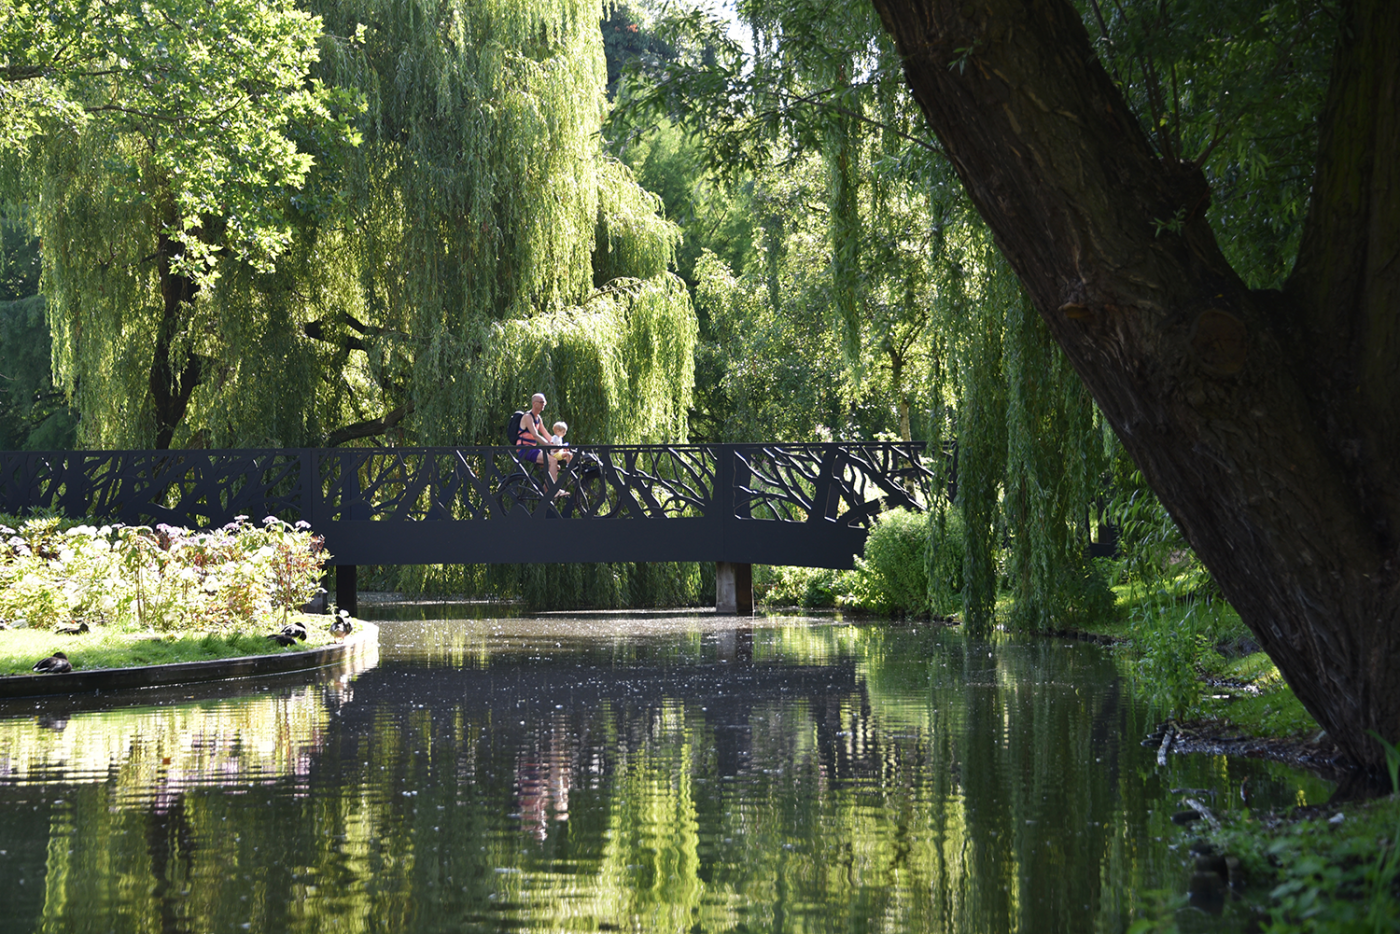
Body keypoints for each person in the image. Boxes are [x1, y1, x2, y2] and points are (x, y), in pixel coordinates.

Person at [516, 393, 565, 488]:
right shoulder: (527, 417)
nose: (544, 405)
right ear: (534, 403)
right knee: (553, 461)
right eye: (542, 402)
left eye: (544, 402)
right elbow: (536, 435)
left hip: (532, 449)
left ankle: (546, 494)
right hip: (524, 449)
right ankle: (554, 491)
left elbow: (546, 435)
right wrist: (549, 446)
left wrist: (557, 445)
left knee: (556, 467)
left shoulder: (538, 418)